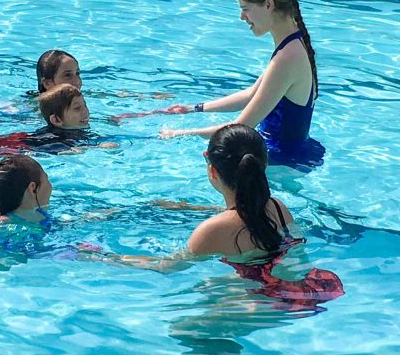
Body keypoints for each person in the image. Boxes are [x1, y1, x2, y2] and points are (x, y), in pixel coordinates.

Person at [86, 124, 343, 310]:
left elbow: (165, 267)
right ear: (262, 165)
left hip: (273, 302)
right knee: (210, 287)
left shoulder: (212, 230)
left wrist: (104, 257)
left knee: (185, 332)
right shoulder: (277, 206)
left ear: (211, 170)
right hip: (312, 289)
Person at [156, 0, 324, 169]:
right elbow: (252, 95)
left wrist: (179, 134)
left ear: (268, 5)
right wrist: (194, 109)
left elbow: (242, 127)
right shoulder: (292, 45)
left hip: (281, 164)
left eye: (245, 9)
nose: (242, 17)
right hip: (284, 156)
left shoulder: (287, 58)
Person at [0, 84, 118, 155]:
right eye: (77, 108)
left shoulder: (75, 130)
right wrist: (97, 148)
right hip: (19, 145)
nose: (86, 111)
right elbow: (61, 150)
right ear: (56, 120)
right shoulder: (54, 138)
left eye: (85, 105)